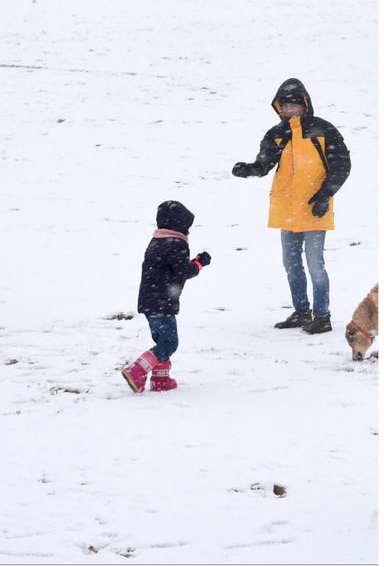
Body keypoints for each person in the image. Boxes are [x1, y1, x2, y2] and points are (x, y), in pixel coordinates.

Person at [232, 78, 351, 335]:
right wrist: (248, 169)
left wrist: (325, 194)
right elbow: (264, 164)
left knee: (315, 264)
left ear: (305, 105)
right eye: (285, 105)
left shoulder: (323, 129)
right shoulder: (276, 134)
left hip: (314, 206)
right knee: (291, 264)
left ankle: (322, 317)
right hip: (287, 208)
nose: (289, 109)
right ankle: (301, 312)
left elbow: (342, 164)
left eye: (294, 105)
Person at [121, 201, 211, 393]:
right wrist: (199, 264)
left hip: (150, 300)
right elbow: (182, 271)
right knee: (169, 343)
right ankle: (137, 370)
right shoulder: (176, 243)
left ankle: (161, 379)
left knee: (161, 341)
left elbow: (172, 267)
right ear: (179, 225)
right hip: (162, 302)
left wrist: (191, 263)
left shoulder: (158, 240)